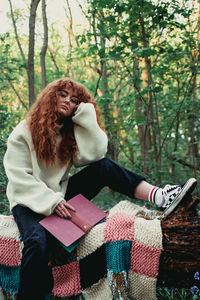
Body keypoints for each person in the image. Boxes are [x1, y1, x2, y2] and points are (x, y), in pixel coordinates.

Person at [3, 77, 197, 300]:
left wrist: (86, 114)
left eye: (74, 99)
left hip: (61, 195)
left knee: (104, 167)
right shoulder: (24, 131)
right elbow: (18, 177)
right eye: (62, 95)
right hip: (28, 201)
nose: (68, 101)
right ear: (50, 97)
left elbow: (95, 153)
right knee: (37, 242)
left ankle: (161, 196)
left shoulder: (68, 132)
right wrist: (51, 202)